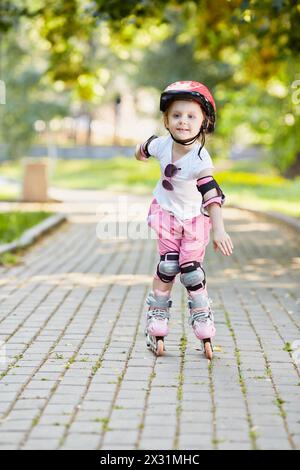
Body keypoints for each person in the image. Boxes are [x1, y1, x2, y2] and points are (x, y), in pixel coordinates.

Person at [135, 80, 234, 359]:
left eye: (191, 116)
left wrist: (220, 231)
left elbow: (212, 196)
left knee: (191, 271)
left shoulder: (200, 159)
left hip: (193, 220)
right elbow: (145, 147)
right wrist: (141, 152)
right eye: (176, 115)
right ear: (166, 120)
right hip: (166, 215)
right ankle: (157, 312)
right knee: (168, 266)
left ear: (204, 122)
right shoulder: (161, 144)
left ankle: (202, 316)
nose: (183, 121)